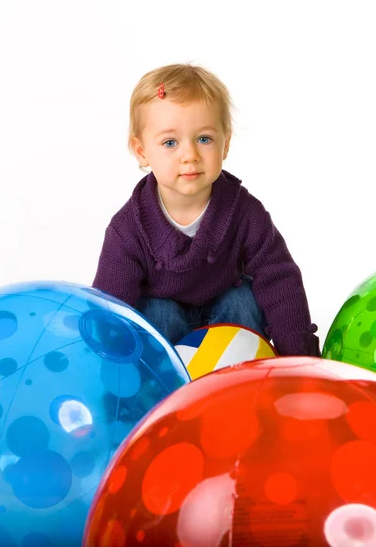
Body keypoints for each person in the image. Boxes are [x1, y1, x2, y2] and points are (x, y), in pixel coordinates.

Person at [92, 63, 319, 356]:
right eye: (170, 142)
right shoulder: (127, 230)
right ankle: (162, 388)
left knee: (243, 299)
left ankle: (241, 381)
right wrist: (105, 368)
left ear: (225, 144)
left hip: (226, 323)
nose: (190, 155)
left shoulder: (244, 213)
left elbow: (279, 280)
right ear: (141, 151)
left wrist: (298, 359)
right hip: (166, 330)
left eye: (204, 139)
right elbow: (109, 309)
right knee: (153, 313)